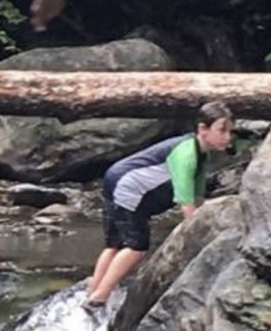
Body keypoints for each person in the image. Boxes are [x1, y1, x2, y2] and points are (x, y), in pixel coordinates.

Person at [84, 101, 235, 310]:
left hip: (115, 177)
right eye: (222, 131)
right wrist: (200, 239)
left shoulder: (200, 153)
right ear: (203, 129)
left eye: (230, 132)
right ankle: (100, 297)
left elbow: (197, 196)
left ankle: (93, 289)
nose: (228, 137)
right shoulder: (187, 153)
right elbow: (186, 204)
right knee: (136, 247)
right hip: (128, 186)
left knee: (115, 244)